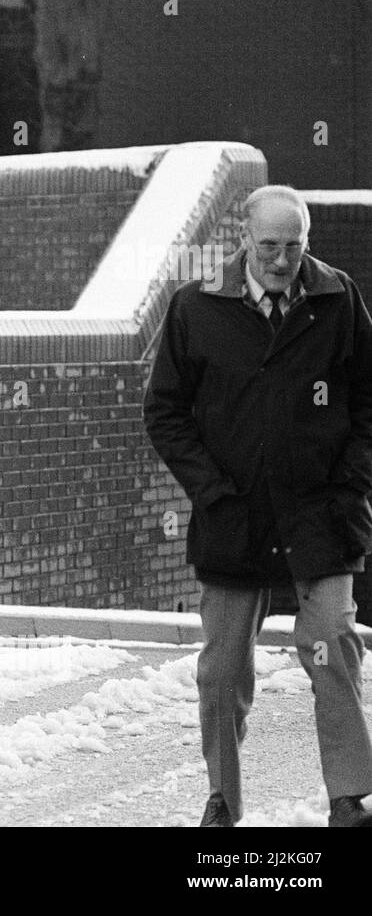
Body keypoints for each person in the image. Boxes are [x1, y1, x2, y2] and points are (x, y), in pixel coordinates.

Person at [144, 184, 372, 828]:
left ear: (307, 241)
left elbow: (367, 400)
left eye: (294, 246)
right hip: (233, 515)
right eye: (269, 246)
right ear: (243, 240)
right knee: (221, 669)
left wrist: (351, 481)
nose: (281, 260)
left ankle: (349, 798)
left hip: (321, 514)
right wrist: (211, 490)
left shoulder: (337, 299)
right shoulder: (197, 309)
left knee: (332, 643)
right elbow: (165, 413)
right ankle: (223, 798)